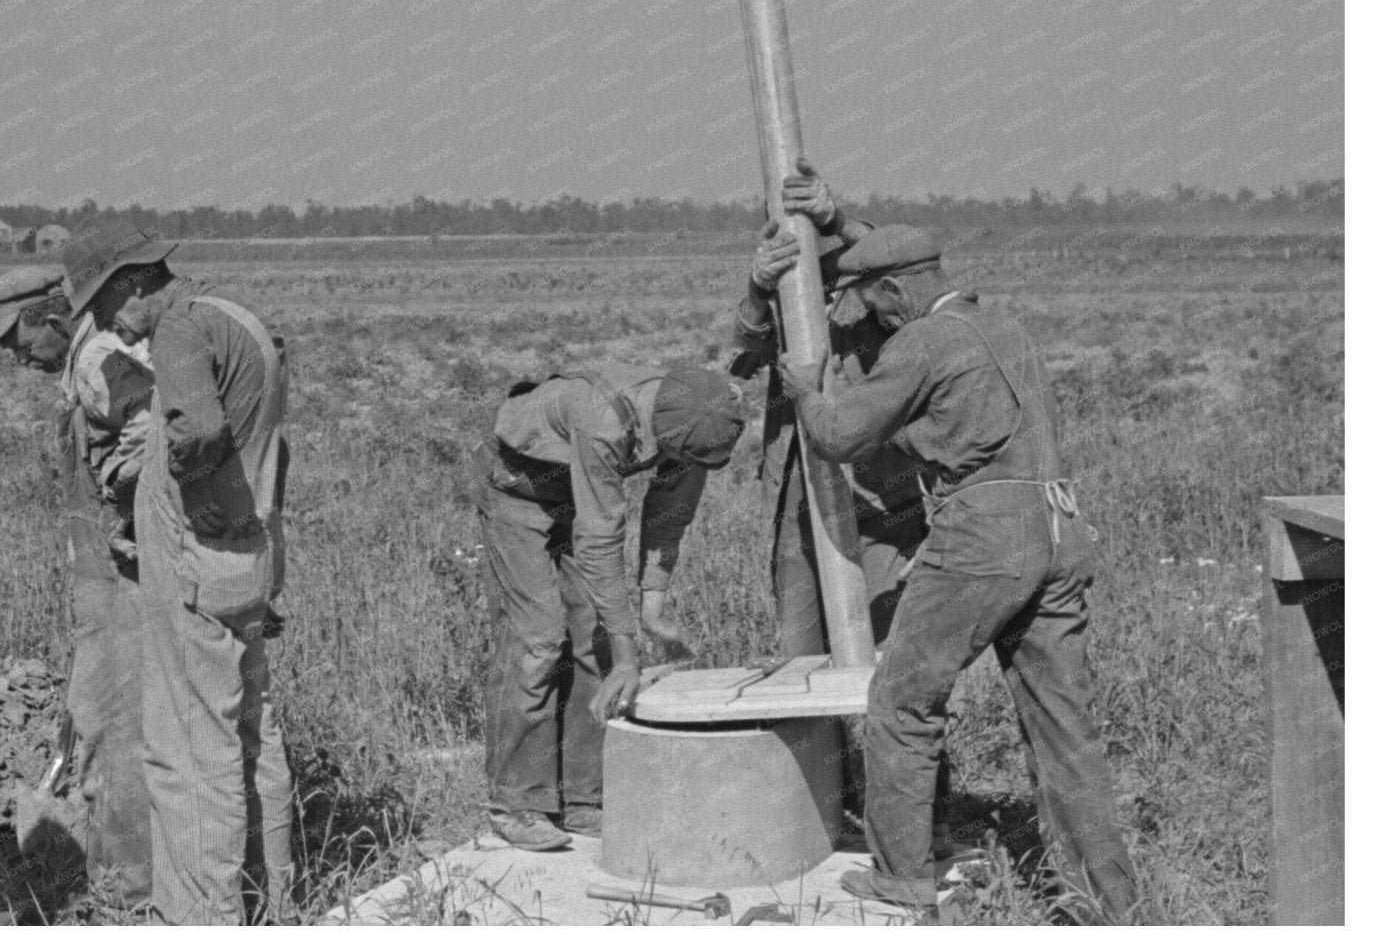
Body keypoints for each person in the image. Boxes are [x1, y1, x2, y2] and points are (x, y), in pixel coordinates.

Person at [776, 226, 1136, 922]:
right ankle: (1106, 904)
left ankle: (903, 879)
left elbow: (840, 435)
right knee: (1063, 725)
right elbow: (967, 426)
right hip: (1060, 524)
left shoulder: (922, 340)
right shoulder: (1006, 327)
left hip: (984, 534)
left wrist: (808, 392)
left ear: (894, 287)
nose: (876, 318)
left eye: (874, 303)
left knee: (903, 700)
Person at [63, 221, 294, 924]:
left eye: (105, 304)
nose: (104, 323)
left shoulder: (179, 330)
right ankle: (271, 907)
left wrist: (167, 479)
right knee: (249, 738)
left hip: (200, 563)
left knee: (191, 758)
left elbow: (197, 430)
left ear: (134, 284)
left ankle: (201, 920)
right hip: (247, 555)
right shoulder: (234, 314)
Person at [731, 162, 963, 854]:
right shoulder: (783, 296)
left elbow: (912, 270)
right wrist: (755, 287)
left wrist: (837, 219)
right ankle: (818, 814)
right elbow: (742, 353)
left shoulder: (886, 305)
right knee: (803, 664)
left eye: (836, 270)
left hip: (883, 500)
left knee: (901, 664)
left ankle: (923, 816)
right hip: (803, 502)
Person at [479, 360, 747, 851]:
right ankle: (517, 800)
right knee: (539, 639)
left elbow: (669, 514)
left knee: (595, 639)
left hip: (580, 492)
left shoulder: (698, 415)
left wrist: (651, 609)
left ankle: (584, 797)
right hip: (519, 489)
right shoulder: (604, 417)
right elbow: (600, 539)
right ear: (663, 435)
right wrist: (630, 657)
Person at [0, 265, 155, 905]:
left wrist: (126, 501)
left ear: (52, 318)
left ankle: (128, 895)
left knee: (114, 734)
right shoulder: (84, 361)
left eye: (18, 340)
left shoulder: (97, 359)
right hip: (108, 586)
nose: (17, 356)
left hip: (124, 586)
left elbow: (161, 426)